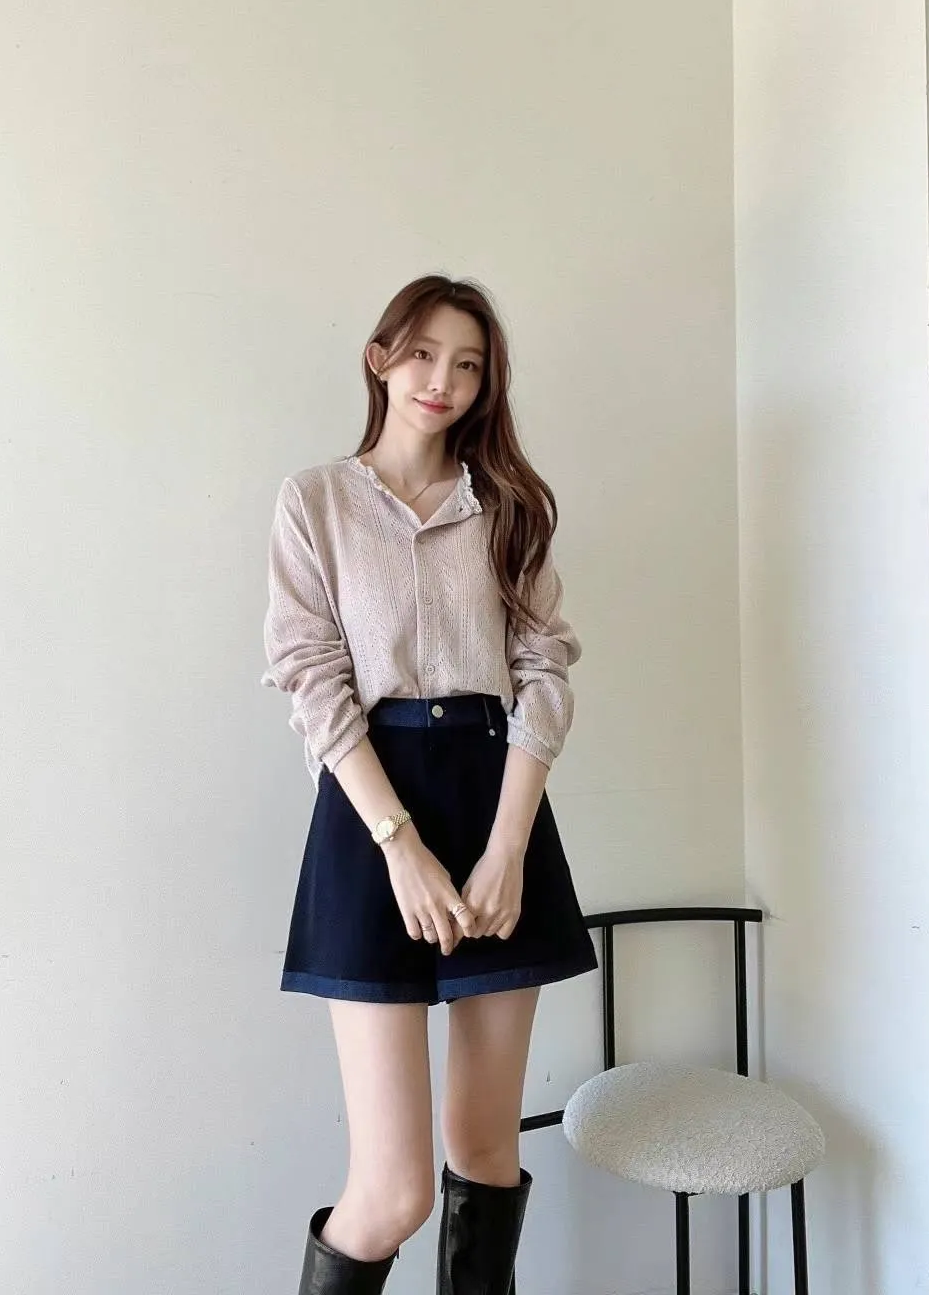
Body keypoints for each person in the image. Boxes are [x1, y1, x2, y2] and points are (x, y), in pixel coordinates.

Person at [262, 274, 597, 1294]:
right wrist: (399, 846)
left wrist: (507, 850)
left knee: (485, 1154)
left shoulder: (509, 510)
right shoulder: (317, 501)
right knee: (394, 1190)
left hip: (499, 804)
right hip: (373, 818)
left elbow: (544, 673)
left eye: (467, 363)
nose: (441, 379)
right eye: (421, 354)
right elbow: (312, 681)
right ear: (380, 358)